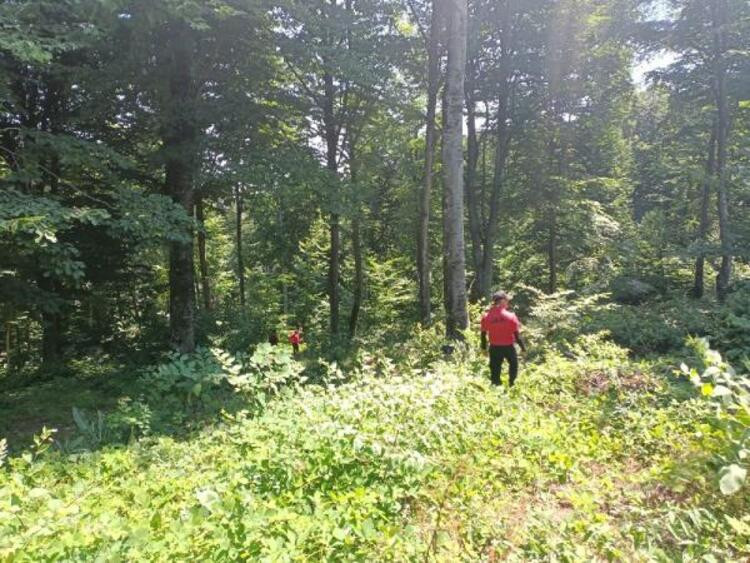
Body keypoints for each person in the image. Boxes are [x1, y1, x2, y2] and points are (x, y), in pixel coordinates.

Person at [480, 291, 526, 387]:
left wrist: (484, 348)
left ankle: (495, 388)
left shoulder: (486, 317)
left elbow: (483, 334)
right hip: (508, 347)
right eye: (507, 300)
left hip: (494, 348)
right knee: (513, 365)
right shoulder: (511, 316)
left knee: (495, 370)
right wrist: (523, 348)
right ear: (502, 301)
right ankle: (512, 385)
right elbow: (517, 336)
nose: (508, 302)